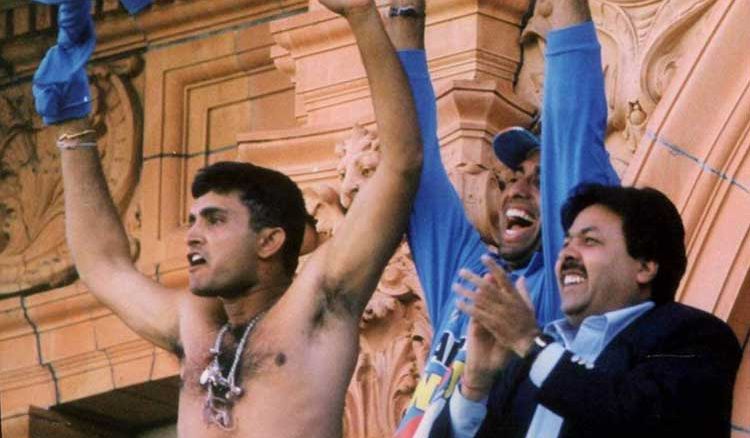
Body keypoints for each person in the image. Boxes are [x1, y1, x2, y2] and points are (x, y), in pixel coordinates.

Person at [44, 0, 423, 436]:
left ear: (271, 241)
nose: (192, 236)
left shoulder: (317, 301)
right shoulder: (193, 326)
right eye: (192, 221)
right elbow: (103, 265)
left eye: (215, 220)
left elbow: (400, 163)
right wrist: (71, 129)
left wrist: (361, 17)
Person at [393, 1, 620, 435]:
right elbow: (412, 159)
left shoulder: (558, 289)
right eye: (512, 177)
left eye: (540, 181)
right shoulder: (471, 274)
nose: (516, 188)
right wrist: (404, 12)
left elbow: (572, 128)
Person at [436, 183, 742, 437]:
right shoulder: (528, 361)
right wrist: (476, 384)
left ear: (645, 267)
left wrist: (530, 342)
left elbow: (638, 419)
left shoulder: (696, 338)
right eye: (566, 242)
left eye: (589, 241)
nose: (566, 253)